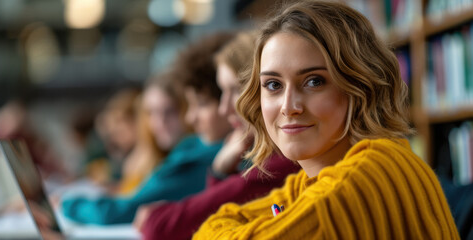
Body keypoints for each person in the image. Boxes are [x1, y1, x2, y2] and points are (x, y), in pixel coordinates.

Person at [194, 1, 459, 239]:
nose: (289, 107)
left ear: (360, 87)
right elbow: (214, 223)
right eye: (273, 85)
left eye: (313, 81)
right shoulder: (308, 182)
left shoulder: (367, 173)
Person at [133, 31, 301, 240]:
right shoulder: (265, 157)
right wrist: (221, 172)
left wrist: (219, 172)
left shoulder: (281, 161)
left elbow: (164, 227)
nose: (224, 109)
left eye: (235, 90)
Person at [60, 32, 234, 225]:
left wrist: (65, 203)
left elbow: (125, 213)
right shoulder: (190, 151)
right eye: (150, 113)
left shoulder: (198, 156)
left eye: (201, 104)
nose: (190, 117)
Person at [118, 70, 190, 195]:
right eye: (152, 112)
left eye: (170, 111)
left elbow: (124, 208)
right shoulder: (142, 162)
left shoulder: (192, 161)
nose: (160, 122)